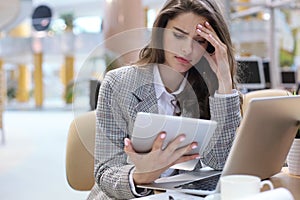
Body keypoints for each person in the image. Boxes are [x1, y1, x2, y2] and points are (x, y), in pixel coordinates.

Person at [88, 0, 242, 199]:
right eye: (178, 35)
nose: (187, 49)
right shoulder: (118, 83)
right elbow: (104, 172)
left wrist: (223, 82)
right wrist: (140, 176)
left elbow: (220, 162)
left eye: (200, 40)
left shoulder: (212, 88)